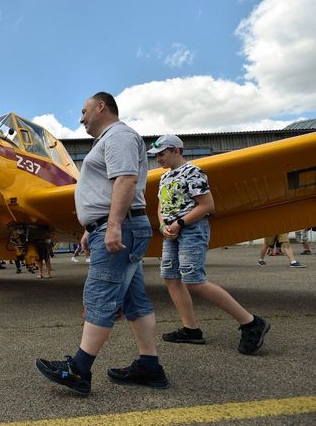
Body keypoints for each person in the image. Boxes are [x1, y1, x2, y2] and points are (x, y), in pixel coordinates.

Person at [35, 92, 167, 396]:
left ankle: (78, 370)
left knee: (100, 296)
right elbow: (109, 186)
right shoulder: (110, 139)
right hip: (111, 224)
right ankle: (150, 366)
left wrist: (113, 225)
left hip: (120, 225)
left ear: (101, 107)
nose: (81, 118)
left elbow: (125, 180)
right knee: (135, 301)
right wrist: (91, 227)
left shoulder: (118, 135)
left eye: (84, 111)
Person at [150, 134, 270, 355]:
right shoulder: (165, 177)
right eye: (156, 155)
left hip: (191, 230)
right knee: (170, 277)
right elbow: (161, 204)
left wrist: (179, 223)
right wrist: (162, 225)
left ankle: (251, 322)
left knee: (195, 280)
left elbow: (207, 205)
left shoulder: (193, 172)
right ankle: (191, 329)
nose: (158, 158)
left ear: (176, 150)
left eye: (162, 153)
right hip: (171, 232)